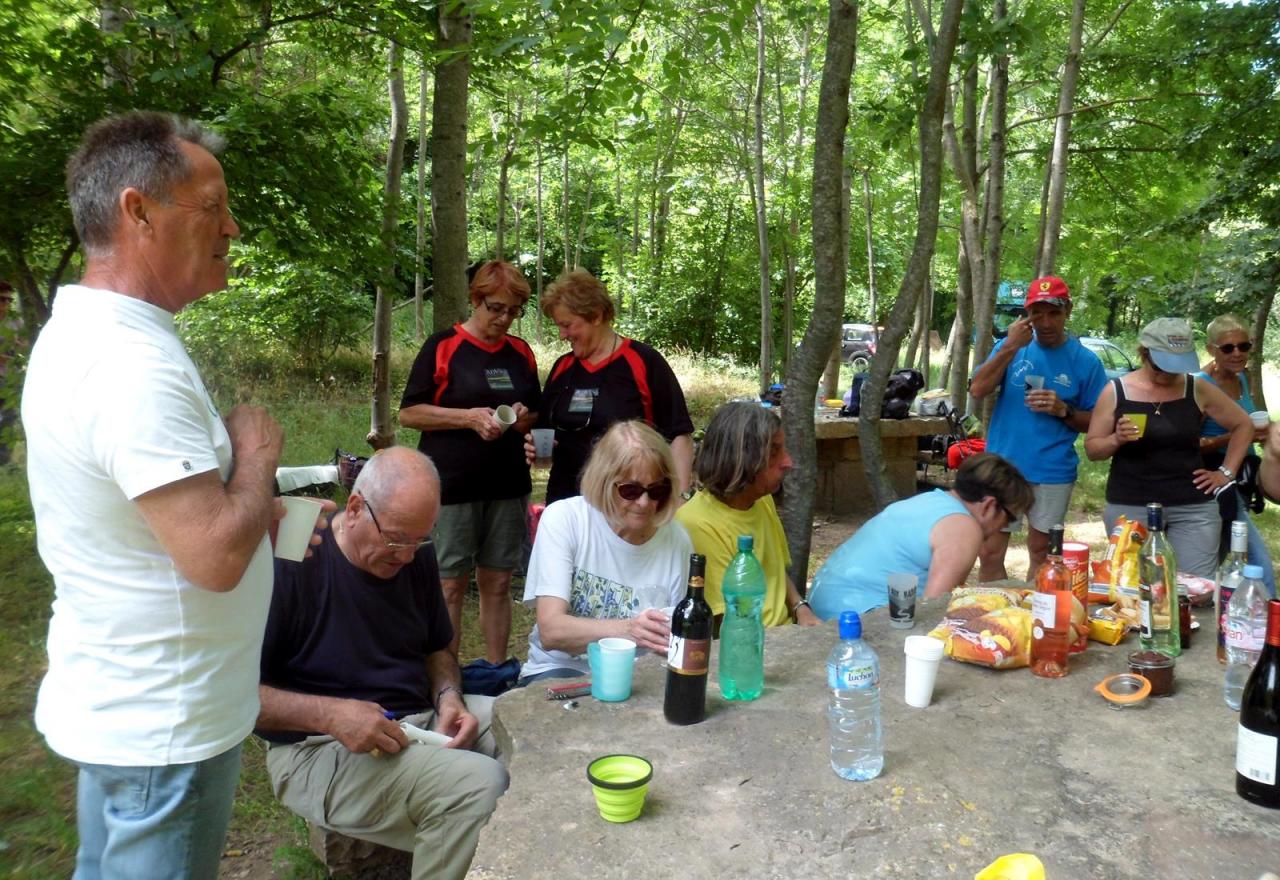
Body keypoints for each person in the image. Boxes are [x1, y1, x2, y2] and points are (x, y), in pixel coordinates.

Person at [22, 111, 322, 879]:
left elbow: (159, 517)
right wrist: (254, 459)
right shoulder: (129, 364)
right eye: (213, 204)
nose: (234, 225)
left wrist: (251, 503)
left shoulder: (95, 333)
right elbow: (215, 554)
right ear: (138, 210)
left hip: (133, 704)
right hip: (166, 722)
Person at [257, 447, 509, 880]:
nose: (407, 555)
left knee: (528, 728)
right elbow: (232, 694)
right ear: (355, 508)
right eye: (396, 539)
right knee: (478, 786)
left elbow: (438, 650)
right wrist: (333, 715)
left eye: (420, 539)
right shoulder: (295, 556)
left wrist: (449, 697)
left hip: (416, 721)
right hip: (316, 748)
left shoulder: (415, 555)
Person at [399, 260, 540, 664]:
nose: (504, 318)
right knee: (450, 585)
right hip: (452, 485)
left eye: (514, 311)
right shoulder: (443, 346)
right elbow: (409, 412)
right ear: (476, 300)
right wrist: (467, 417)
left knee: (497, 582)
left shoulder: (521, 353)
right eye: (495, 307)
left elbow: (535, 414)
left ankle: (496, 674)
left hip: (508, 484)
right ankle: (447, 678)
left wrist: (520, 416)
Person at [519, 420, 693, 684]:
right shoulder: (566, 520)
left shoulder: (677, 541)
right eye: (630, 490)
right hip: (561, 669)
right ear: (603, 482)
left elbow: (677, 638)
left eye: (657, 490)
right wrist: (629, 630)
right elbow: (551, 630)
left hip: (640, 676)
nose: (644, 503)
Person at [1085, 317, 1252, 579]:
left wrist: (1226, 473)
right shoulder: (1116, 391)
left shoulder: (1197, 387)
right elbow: (1093, 450)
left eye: (1176, 367)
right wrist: (1116, 439)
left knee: (1195, 592)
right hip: (1130, 506)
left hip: (1193, 507)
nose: (1169, 374)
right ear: (1144, 353)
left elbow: (1244, 425)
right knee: (1133, 589)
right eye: (1161, 366)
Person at [970, 275, 1107, 581]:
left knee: (1042, 553)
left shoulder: (1085, 362)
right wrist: (1008, 347)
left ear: (1067, 311)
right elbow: (978, 389)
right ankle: (994, 617)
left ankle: (1037, 622)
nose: (1045, 322)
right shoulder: (1011, 347)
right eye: (1037, 313)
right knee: (989, 551)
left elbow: (1100, 421)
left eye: (1054, 312)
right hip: (1001, 467)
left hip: (1052, 469)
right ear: (1027, 314)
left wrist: (1063, 410)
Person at [532, 269, 694, 504]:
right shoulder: (562, 368)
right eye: (559, 326)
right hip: (566, 502)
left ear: (596, 316)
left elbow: (680, 435)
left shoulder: (643, 362)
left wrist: (678, 500)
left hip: (630, 505)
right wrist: (536, 449)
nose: (562, 335)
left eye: (567, 325)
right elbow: (544, 433)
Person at [807, 453, 1034, 619]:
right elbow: (933, 611)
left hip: (825, 601)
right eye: (1009, 518)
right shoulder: (964, 529)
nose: (1004, 528)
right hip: (857, 615)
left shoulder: (931, 500)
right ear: (989, 506)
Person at [675, 400, 820, 628]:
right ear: (741, 459)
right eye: (774, 452)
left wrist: (800, 607)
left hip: (787, 633)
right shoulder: (696, 524)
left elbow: (776, 572)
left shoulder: (762, 499)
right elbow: (730, 624)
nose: (788, 462)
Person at [1196, 313, 1275, 596]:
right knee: (1256, 560)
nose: (1238, 353)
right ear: (1211, 349)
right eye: (1228, 348)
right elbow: (1191, 444)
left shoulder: (1242, 376)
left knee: (1220, 560)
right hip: (1217, 481)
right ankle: (1271, 620)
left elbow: (1248, 424)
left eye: (1244, 346)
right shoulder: (1200, 384)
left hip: (1241, 479)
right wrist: (1240, 435)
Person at [0, 280, 23, 465]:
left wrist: (17, 346)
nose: (6, 304)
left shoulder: (15, 321)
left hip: (9, 379)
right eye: (2, 299)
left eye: (9, 300)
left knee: (8, 419)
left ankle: (4, 462)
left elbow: (26, 346)